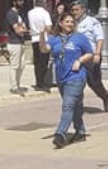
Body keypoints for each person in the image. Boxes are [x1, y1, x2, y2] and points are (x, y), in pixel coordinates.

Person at [38, 12, 94, 148]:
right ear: (61, 23)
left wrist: (79, 61)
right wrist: (41, 35)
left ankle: (60, 134)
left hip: (76, 77)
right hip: (61, 77)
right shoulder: (54, 38)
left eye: (72, 22)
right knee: (75, 105)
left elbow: (89, 53)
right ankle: (80, 131)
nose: (70, 24)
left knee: (68, 105)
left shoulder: (79, 38)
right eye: (67, 21)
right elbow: (44, 49)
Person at [72, 0, 108, 112]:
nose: (75, 12)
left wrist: (97, 54)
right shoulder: (72, 22)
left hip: (91, 55)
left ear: (83, 10)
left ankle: (104, 96)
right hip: (77, 56)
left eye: (77, 10)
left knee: (94, 83)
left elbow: (99, 38)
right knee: (77, 81)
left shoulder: (92, 22)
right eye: (73, 10)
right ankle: (78, 105)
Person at [5, 0, 31, 92]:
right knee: (14, 65)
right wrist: (27, 30)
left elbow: (23, 27)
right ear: (14, 2)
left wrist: (24, 29)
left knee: (22, 65)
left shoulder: (19, 14)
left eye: (22, 0)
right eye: (20, 1)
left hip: (21, 42)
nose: (22, 3)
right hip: (14, 42)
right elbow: (18, 30)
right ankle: (14, 86)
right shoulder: (11, 14)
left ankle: (18, 84)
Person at [27, 0, 53, 91]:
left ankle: (38, 81)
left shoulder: (30, 12)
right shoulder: (45, 13)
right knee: (44, 61)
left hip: (34, 37)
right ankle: (42, 82)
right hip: (43, 38)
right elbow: (49, 27)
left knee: (37, 61)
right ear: (43, 3)